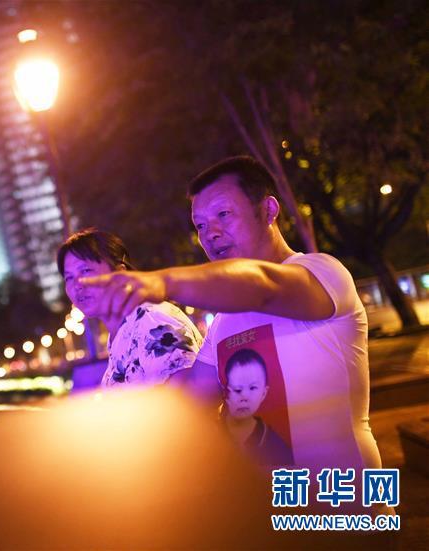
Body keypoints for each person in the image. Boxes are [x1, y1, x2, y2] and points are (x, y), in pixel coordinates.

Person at [79, 156, 384, 477]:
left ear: (268, 210)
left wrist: (164, 282)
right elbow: (190, 401)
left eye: (223, 214)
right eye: (200, 225)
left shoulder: (322, 272)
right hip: (270, 500)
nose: (210, 233)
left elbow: (264, 286)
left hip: (343, 495)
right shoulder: (224, 320)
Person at [57, 228, 201, 388]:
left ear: (120, 273)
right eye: (69, 277)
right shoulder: (119, 334)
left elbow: (186, 395)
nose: (77, 285)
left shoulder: (152, 321)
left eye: (85, 271)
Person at [222, 348, 293, 467]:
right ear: (226, 392)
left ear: (264, 393)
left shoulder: (275, 444)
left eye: (253, 388)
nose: (244, 397)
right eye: (237, 389)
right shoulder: (212, 434)